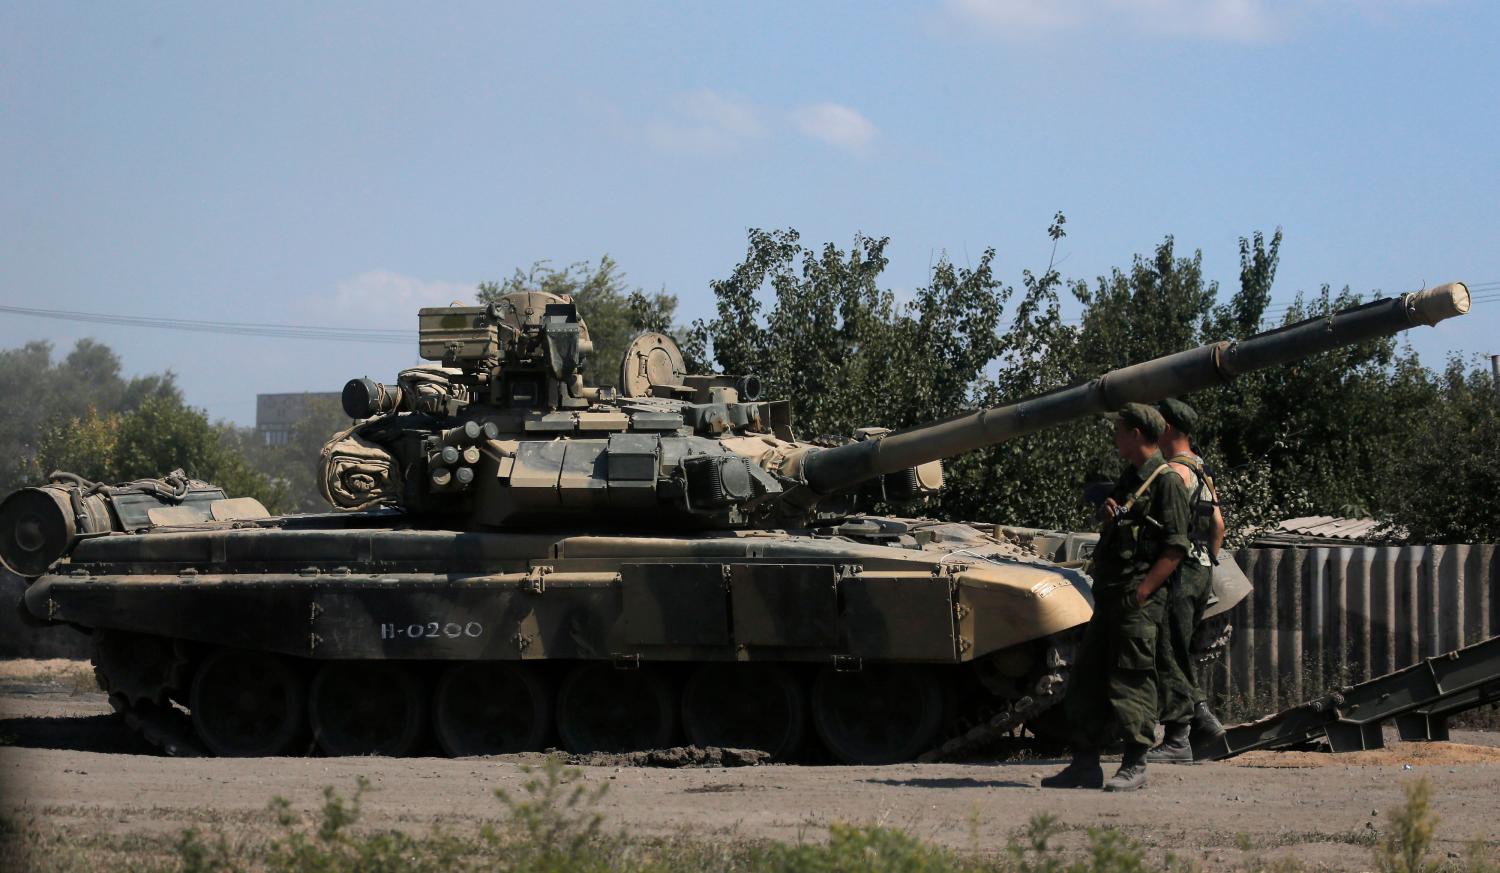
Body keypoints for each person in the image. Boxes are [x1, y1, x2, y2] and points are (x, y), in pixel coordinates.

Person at [1042, 403, 1191, 792]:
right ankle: (1085, 764)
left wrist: (1142, 594)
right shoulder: (1131, 478)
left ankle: (1135, 764)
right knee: (1087, 680)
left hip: (1136, 597)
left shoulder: (1167, 482)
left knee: (1132, 678)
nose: (1115, 436)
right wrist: (1110, 514)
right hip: (1109, 595)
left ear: (1137, 434)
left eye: (1119, 430)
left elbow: (1175, 548)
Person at [1147, 398, 1227, 763]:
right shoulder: (1201, 469)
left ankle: (1177, 739)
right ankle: (1202, 719)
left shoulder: (1174, 474)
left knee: (1167, 650)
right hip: (1201, 570)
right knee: (1177, 649)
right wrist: (1207, 559)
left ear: (1166, 429)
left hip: (1177, 569)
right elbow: (1218, 526)